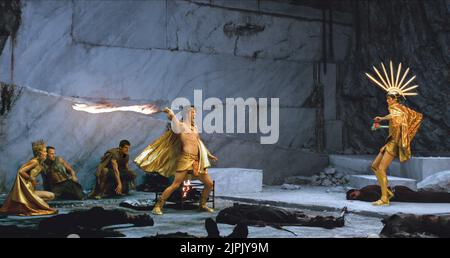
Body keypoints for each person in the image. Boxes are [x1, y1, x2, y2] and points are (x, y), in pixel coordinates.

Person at [135, 106, 218, 215]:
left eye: (195, 113)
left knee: (209, 184)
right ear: (187, 114)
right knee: (176, 185)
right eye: (193, 112)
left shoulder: (195, 128)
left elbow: (198, 143)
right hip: (185, 159)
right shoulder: (181, 126)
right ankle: (158, 206)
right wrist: (171, 113)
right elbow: (173, 121)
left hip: (196, 161)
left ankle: (202, 205)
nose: (195, 115)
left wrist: (208, 154)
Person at [365, 61, 423, 206]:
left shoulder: (397, 109)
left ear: (393, 99)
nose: (387, 100)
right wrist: (381, 126)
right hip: (390, 141)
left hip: (394, 144)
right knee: (374, 166)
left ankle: (384, 198)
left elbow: (395, 117)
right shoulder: (397, 111)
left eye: (388, 98)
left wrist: (382, 118)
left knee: (381, 168)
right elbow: (394, 124)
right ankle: (387, 191)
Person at [0, 140, 57, 216]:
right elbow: (21, 171)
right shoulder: (34, 162)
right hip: (27, 190)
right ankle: (31, 205)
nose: (46, 153)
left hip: (31, 190)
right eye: (44, 151)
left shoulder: (40, 162)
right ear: (39, 153)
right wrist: (31, 179)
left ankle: (34, 204)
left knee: (51, 195)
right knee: (46, 204)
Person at [347, 185, 450, 203]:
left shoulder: (366, 191)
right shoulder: (365, 192)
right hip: (399, 193)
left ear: (356, 190)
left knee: (426, 197)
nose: (355, 197)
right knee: (424, 197)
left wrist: (363, 199)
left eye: (353, 195)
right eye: (353, 198)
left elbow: (378, 198)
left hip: (400, 192)